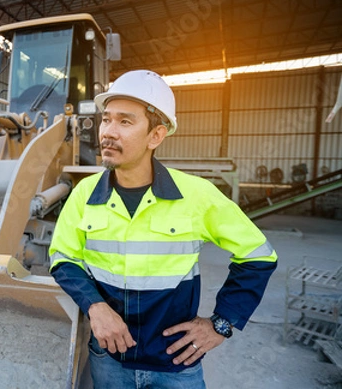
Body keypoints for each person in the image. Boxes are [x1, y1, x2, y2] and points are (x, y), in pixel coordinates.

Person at [49, 70, 278, 388]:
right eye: (107, 120)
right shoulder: (84, 194)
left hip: (175, 367)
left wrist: (221, 323)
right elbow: (62, 256)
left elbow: (259, 255)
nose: (108, 133)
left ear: (156, 135)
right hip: (108, 362)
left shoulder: (196, 195)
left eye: (125, 122)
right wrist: (95, 306)